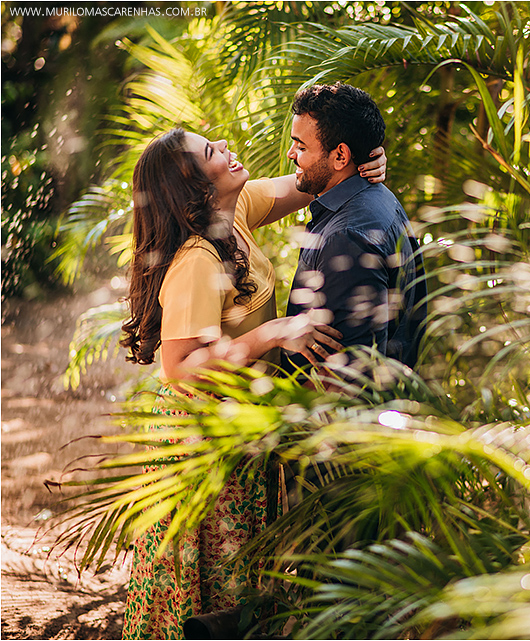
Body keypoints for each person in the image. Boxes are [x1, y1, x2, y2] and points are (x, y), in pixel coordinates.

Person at [117, 127, 387, 640]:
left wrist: (360, 163)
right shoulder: (197, 260)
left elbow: (308, 181)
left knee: (240, 578)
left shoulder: (233, 212)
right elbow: (180, 366)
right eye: (212, 152)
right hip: (202, 441)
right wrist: (272, 334)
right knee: (210, 586)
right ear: (194, 187)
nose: (227, 149)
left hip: (239, 428)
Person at [283, 82, 426, 382]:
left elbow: (346, 378)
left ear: (340, 156)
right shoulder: (378, 196)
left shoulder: (347, 237)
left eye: (301, 146)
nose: (290, 154)